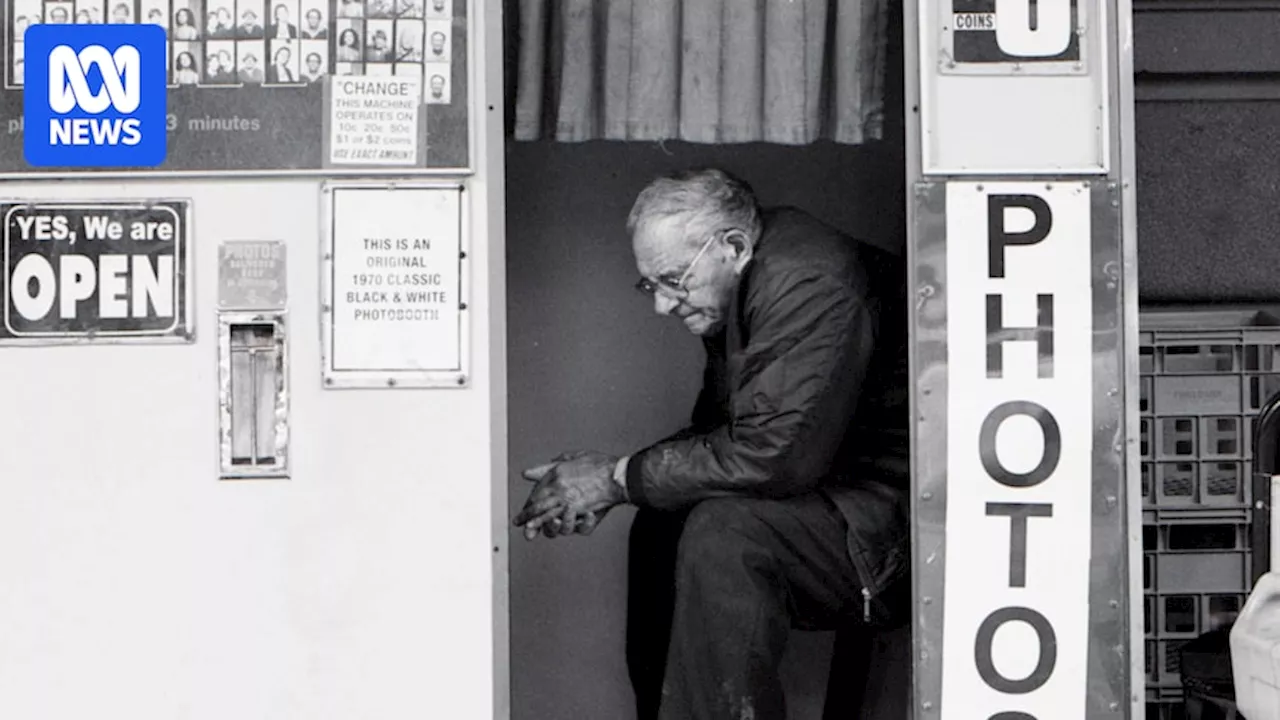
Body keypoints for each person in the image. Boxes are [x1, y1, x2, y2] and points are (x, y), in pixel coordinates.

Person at [513, 168, 910, 720]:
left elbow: (773, 457)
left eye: (674, 279)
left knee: (725, 534)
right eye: (651, 285)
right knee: (663, 523)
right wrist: (613, 481)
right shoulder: (747, 286)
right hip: (838, 503)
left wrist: (615, 478)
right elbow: (719, 439)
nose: (662, 305)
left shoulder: (806, 283)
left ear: (734, 246)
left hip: (891, 533)